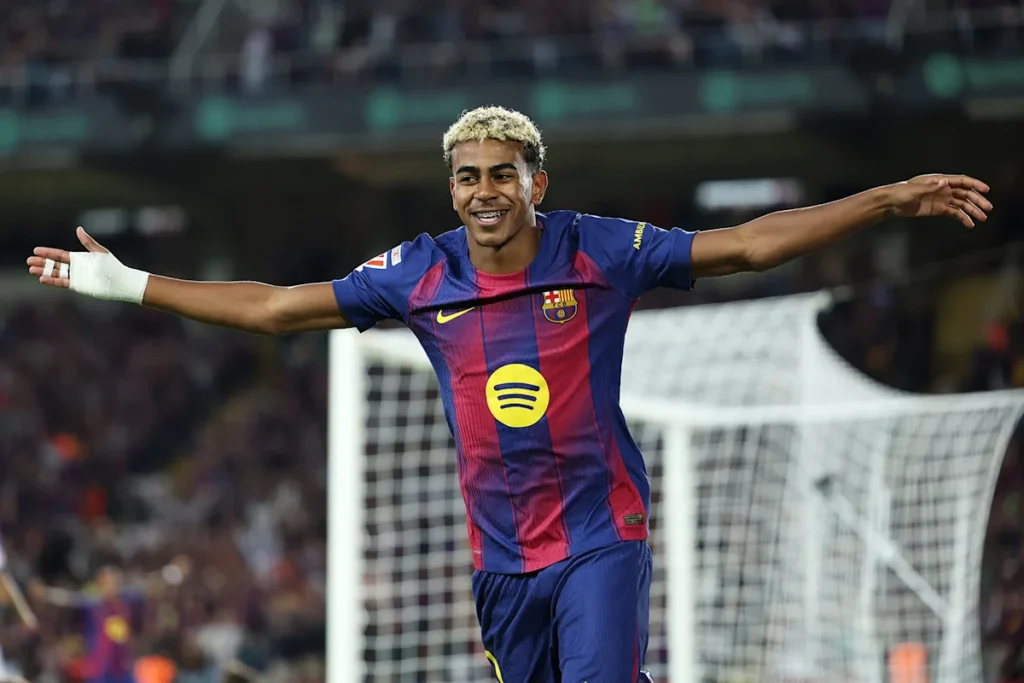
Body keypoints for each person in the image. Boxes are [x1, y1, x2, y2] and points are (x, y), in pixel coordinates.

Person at [26, 106, 992, 682]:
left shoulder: (600, 249)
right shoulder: (419, 271)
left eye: (503, 174)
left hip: (601, 534)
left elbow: (746, 245)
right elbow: (278, 307)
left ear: (538, 182)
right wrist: (132, 283)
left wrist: (883, 199)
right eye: (467, 178)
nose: (484, 190)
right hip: (500, 560)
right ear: (451, 190)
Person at [30, 558, 189, 683]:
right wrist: (46, 593)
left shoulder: (127, 600)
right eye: (106, 582)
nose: (111, 586)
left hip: (123, 668)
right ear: (99, 584)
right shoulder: (92, 602)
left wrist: (173, 572)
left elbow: (149, 585)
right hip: (100, 671)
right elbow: (69, 599)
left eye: (114, 581)